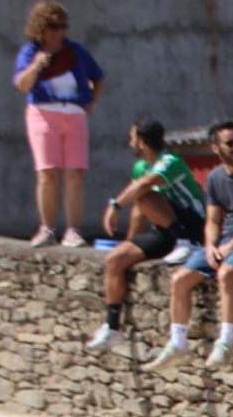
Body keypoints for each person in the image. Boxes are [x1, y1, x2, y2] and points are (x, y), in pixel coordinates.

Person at [142, 120, 233, 372]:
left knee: (226, 273)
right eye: (230, 143)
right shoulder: (215, 178)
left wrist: (232, 246)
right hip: (226, 241)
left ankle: (226, 342)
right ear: (215, 147)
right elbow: (214, 220)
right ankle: (177, 343)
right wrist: (210, 246)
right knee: (180, 279)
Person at [86, 117, 208, 353]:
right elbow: (140, 211)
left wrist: (114, 205)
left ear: (141, 142)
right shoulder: (140, 168)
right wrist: (132, 244)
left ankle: (187, 242)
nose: (129, 142)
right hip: (165, 232)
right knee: (115, 259)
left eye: (132, 138)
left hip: (194, 227)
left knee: (142, 192)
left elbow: (144, 189)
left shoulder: (170, 161)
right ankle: (112, 328)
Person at [12, 0, 105, 247]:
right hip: (43, 114)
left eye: (63, 26)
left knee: (75, 174)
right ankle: (47, 229)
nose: (60, 32)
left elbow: (99, 77)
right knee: (47, 174)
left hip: (74, 114)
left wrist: (91, 101)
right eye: (54, 27)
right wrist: (36, 66)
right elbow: (22, 84)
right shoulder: (30, 51)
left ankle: (73, 230)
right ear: (41, 28)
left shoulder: (75, 51)